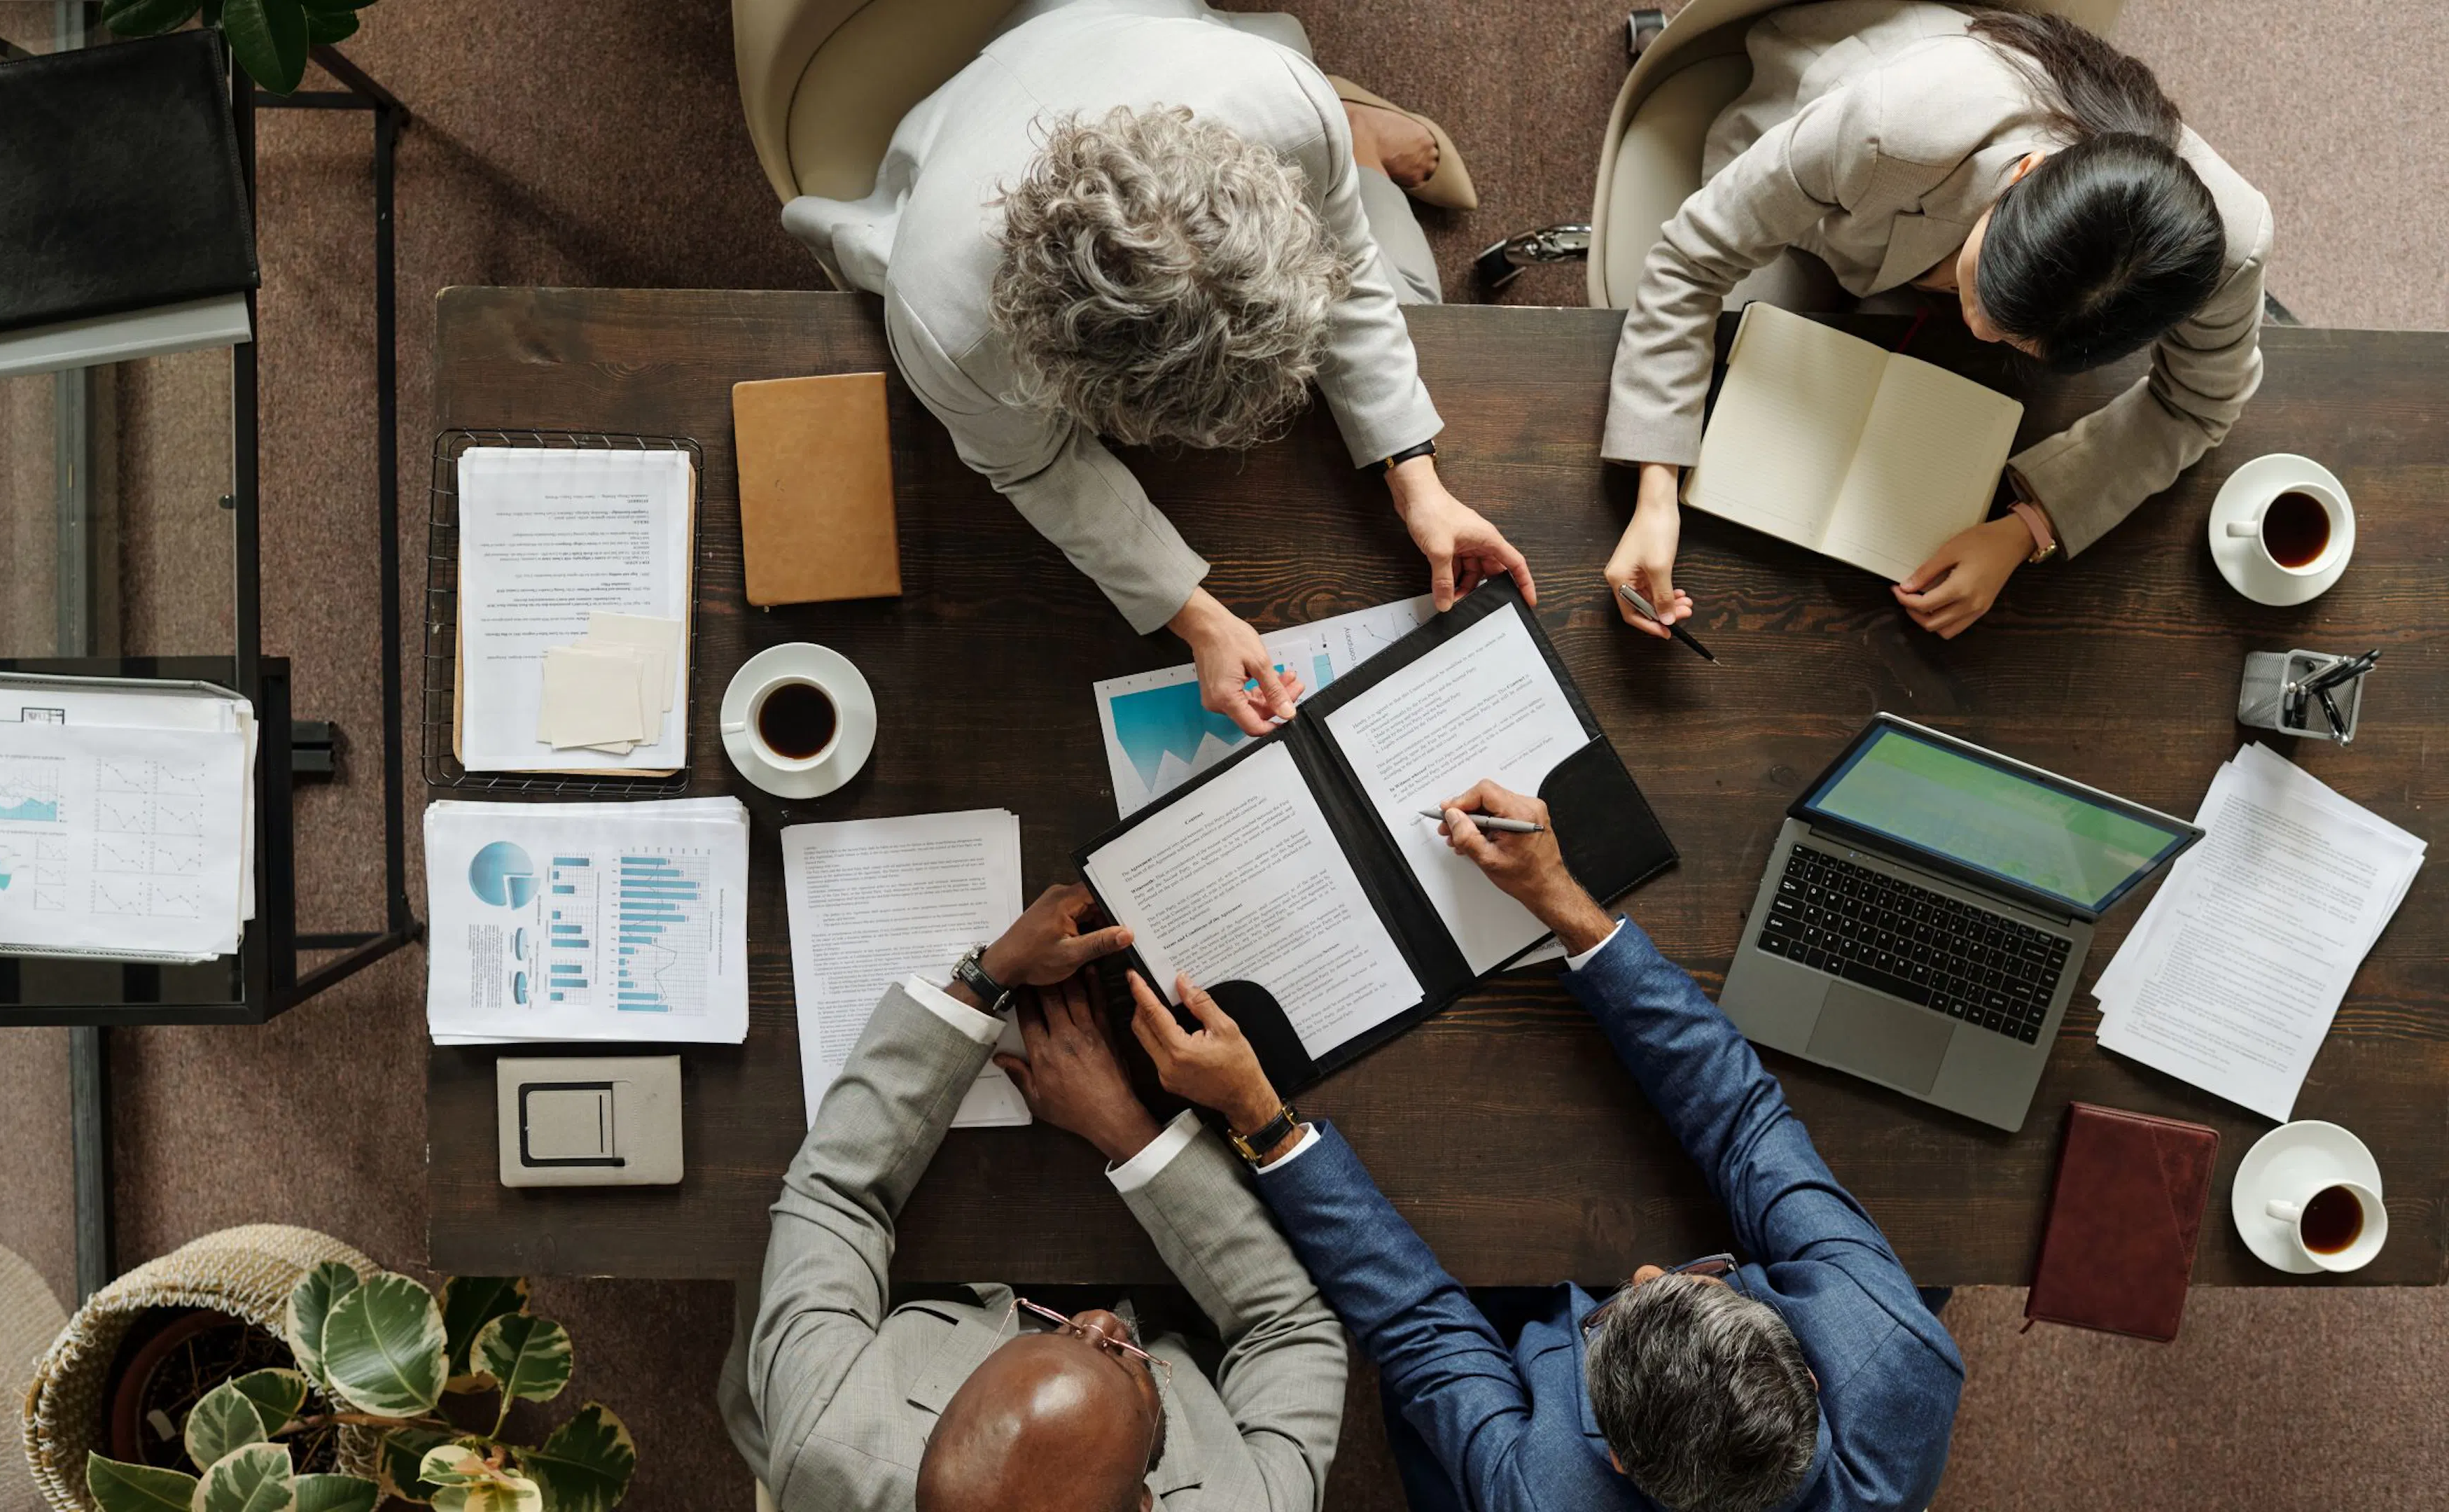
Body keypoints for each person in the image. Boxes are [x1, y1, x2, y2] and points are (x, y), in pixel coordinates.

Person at [1123, 780, 1965, 1511]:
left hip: (1516, 1420)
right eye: (1689, 1280)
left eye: (1623, 1310)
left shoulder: (1544, 1491)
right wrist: (1564, 900)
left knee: (1431, 1395)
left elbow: (1421, 1327)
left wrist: (1263, 1120)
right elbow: (1745, 1124)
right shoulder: (1897, 1353)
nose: (1643, 1270)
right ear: (1808, 1377)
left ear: (1618, 1461)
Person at [783, 0, 1533, 736]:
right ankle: (1371, 147)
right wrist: (1195, 618)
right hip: (967, 131)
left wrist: (1418, 479)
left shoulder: (1291, 103)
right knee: (1419, 292)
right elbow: (1036, 468)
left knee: (1401, 288)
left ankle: (1360, 135)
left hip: (1123, 34)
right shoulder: (951, 332)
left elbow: (1351, 264)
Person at [1602, 4, 2270, 642]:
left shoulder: (2229, 252)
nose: (1978, 329)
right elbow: (1695, 257)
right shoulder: (1893, 124)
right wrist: (1656, 493)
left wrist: (2027, 529)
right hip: (1821, 194)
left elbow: (2198, 403)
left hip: (1907, 252)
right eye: (1985, 288)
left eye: (2014, 338)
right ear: (2025, 176)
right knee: (1732, 354)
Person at [719, 883, 1351, 1512]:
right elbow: (1288, 1324)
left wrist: (984, 979)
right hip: (1185, 1304)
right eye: (1122, 1363)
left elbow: (833, 1195)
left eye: (1066, 1334)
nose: (1102, 1322)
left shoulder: (833, 1439)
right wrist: (1123, 1128)